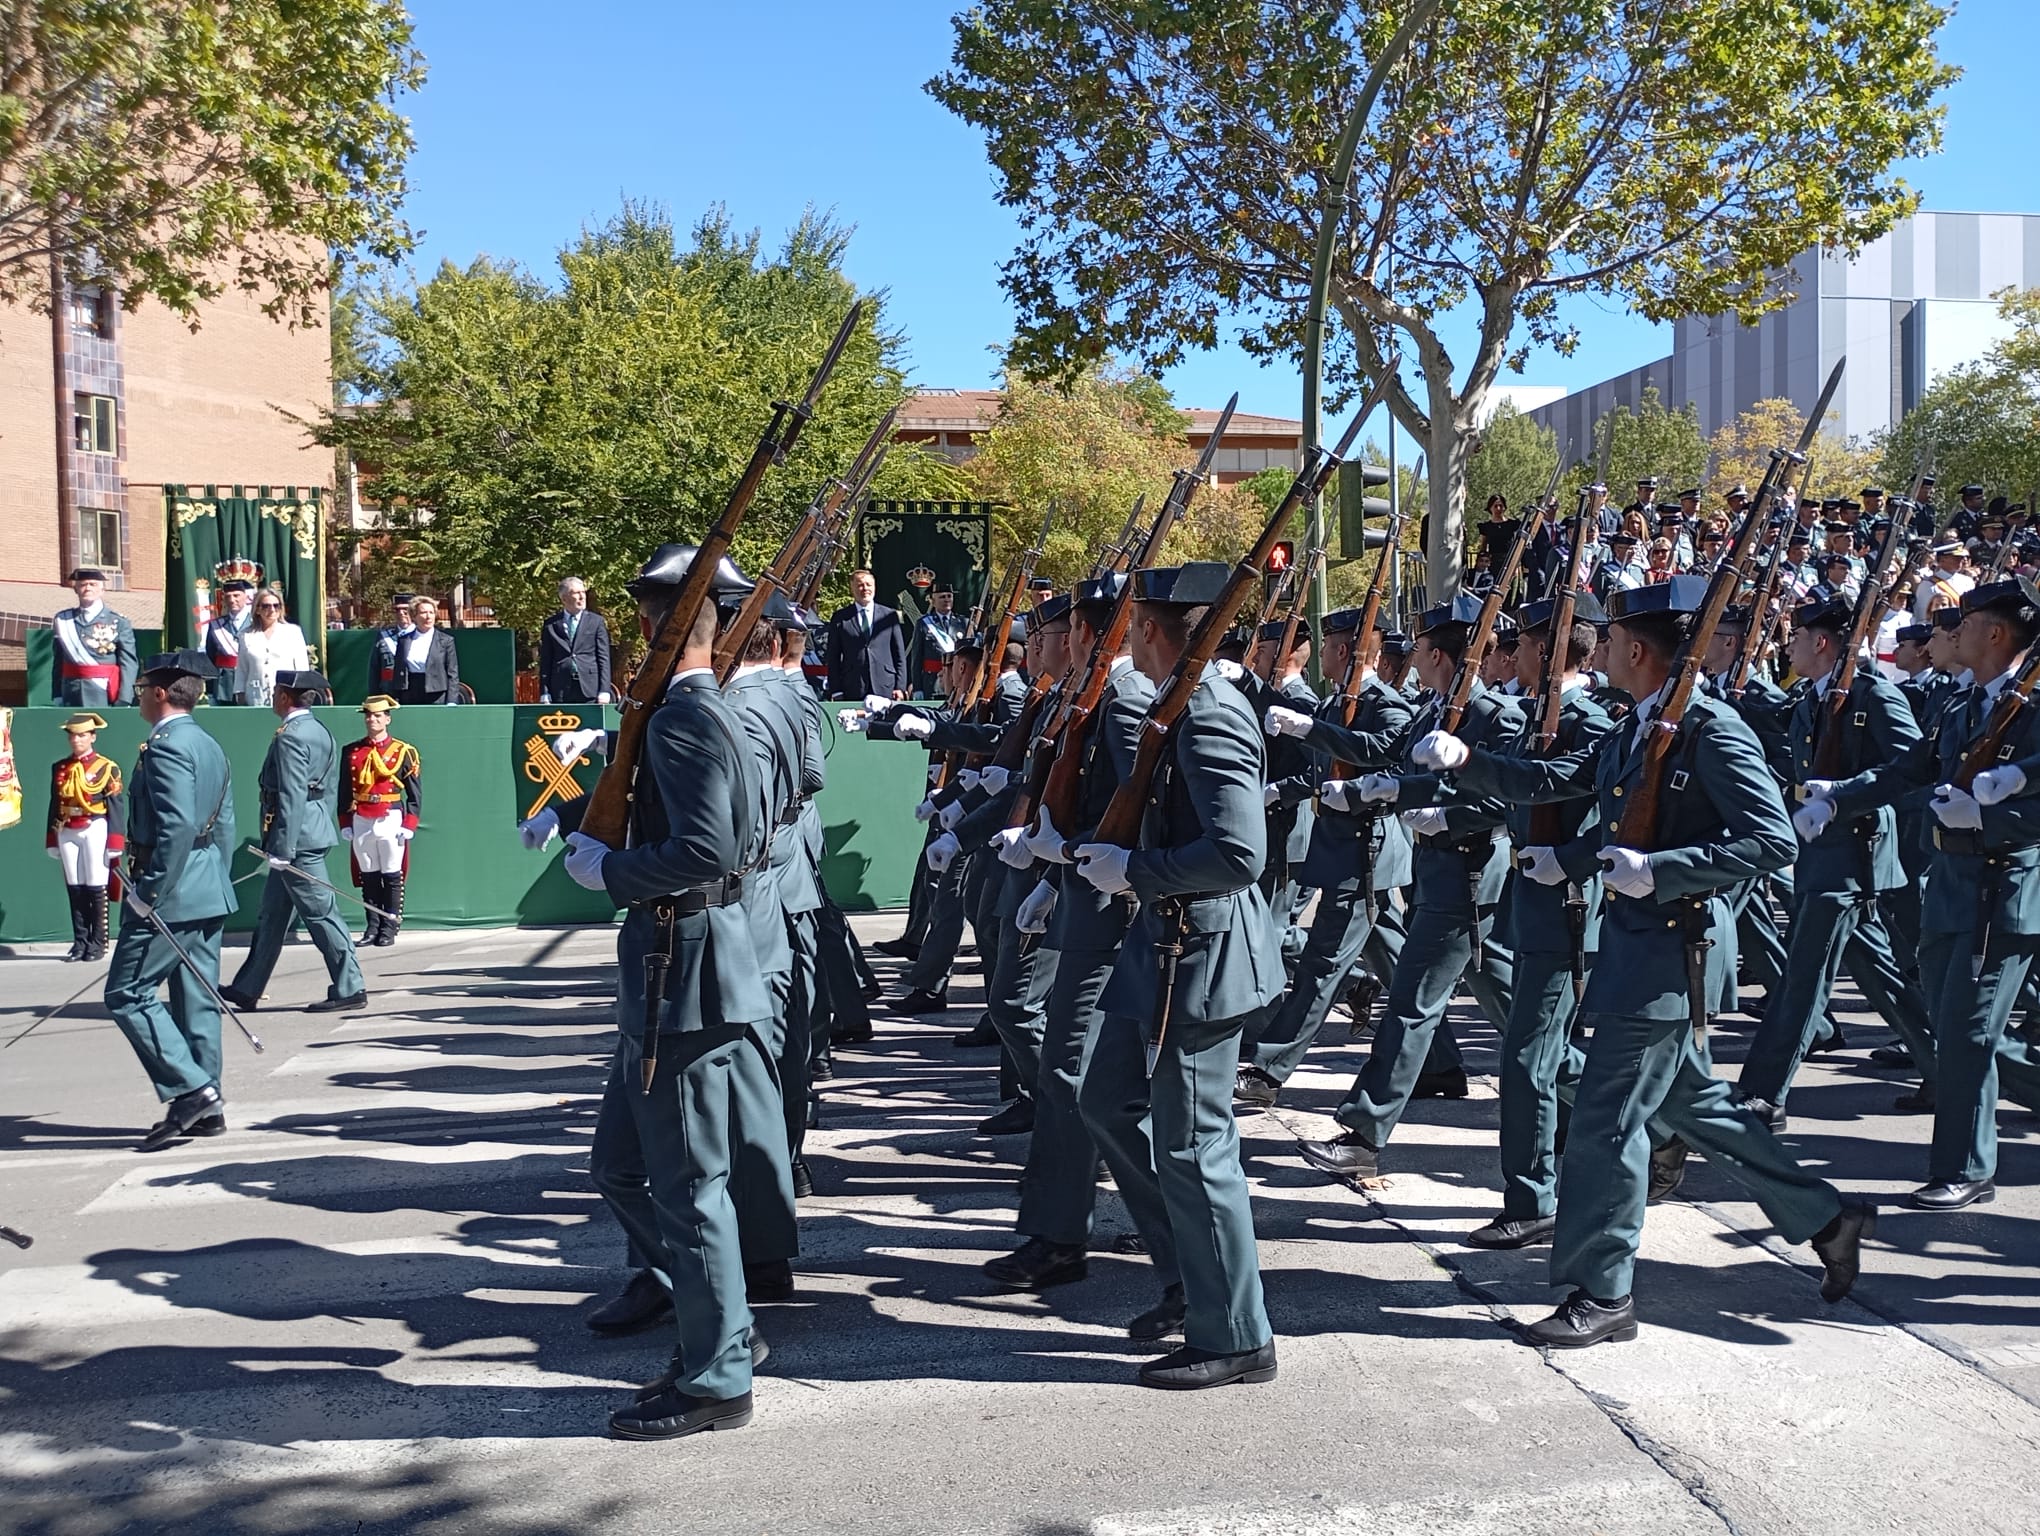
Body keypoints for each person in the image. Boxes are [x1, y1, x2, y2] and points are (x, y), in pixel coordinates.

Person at [1413, 577, 1871, 1346]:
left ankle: (1605, 1290)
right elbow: (1560, 782)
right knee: (1697, 1107)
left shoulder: (1710, 730)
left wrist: (1663, 870)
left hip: (1672, 954)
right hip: (1635, 950)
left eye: (1613, 643)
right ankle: (1826, 1215)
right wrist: (1470, 764)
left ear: (1633, 649)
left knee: (1605, 1123)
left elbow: (1772, 841)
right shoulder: (1640, 726)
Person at [534, 542, 778, 1441]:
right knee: (624, 1166)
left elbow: (707, 853)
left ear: (647, 625)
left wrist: (615, 871)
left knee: (688, 1185)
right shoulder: (698, 711)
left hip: (686, 972)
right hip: (674, 968)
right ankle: (721, 1328)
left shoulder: (687, 718)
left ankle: (718, 1375)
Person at [1071, 561, 1284, 1390]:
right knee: (1105, 1100)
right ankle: (1189, 1279)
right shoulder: (1179, 706)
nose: (1125, 638)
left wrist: (1138, 870)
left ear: (1155, 632)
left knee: (1196, 1147)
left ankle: (1235, 1333)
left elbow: (1238, 853)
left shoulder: (1211, 715)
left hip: (1197, 953)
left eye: (1134, 625)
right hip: (1160, 948)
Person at [1807, 577, 2040, 1209]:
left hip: (1999, 894)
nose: (1951, 631)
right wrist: (1837, 799)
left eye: (1963, 623)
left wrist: (1989, 820)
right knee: (1956, 1027)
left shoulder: (2032, 709)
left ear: (1996, 633)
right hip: (1952, 889)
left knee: (1967, 1033)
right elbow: (1908, 769)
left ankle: (1964, 1169)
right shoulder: (1968, 706)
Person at [1293, 594, 1523, 1183]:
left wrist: (1446, 815)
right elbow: (1396, 762)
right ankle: (1600, 1099)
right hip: (1440, 875)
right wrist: (1376, 789)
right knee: (1518, 1012)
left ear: (1444, 656)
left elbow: (1510, 797)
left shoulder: (1497, 716)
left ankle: (1364, 1132)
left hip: (1469, 874)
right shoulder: (1433, 710)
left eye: (1420, 649)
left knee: (1412, 1001)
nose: (1410, 657)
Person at [105, 650, 238, 1151]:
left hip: (171, 891)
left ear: (160, 692)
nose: (139, 695)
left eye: (142, 688)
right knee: (197, 999)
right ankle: (210, 1105)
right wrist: (213, 880)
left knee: (127, 994)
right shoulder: (206, 743)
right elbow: (221, 825)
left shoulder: (165, 746)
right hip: (204, 885)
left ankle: (192, 1090)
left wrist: (150, 890)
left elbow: (177, 825)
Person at [219, 671, 369, 1015]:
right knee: (272, 916)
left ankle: (350, 985)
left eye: (276, 693)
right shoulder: (320, 730)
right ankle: (248, 987)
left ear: (286, 697)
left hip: (295, 840)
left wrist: (283, 847)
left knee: (321, 915)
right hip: (307, 831)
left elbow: (290, 794)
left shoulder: (291, 736)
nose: (273, 698)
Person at [339, 694, 422, 947]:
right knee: (369, 875)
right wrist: (344, 821)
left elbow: (415, 792)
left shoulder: (403, 751)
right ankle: (372, 926)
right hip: (362, 816)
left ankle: (390, 926)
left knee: (391, 873)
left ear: (388, 718)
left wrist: (409, 824)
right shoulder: (352, 751)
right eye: (368, 716)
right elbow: (344, 790)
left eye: (377, 715)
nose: (372, 720)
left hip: (390, 816)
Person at [46, 711, 126, 962]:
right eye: (72, 736)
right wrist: (51, 837)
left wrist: (115, 840)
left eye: (82, 735)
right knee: (75, 886)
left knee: (95, 884)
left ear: (92, 737)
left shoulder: (106, 767)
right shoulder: (60, 767)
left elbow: (116, 805)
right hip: (67, 826)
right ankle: (79, 941)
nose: (76, 740)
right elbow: (55, 802)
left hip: (94, 825)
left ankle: (98, 942)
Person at [51, 567, 138, 707]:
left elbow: (128, 663)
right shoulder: (62, 620)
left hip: (103, 693)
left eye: (93, 584)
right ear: (76, 589)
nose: (88, 588)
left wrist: (125, 697)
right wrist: (57, 694)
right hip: (71, 692)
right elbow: (58, 661)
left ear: (102, 590)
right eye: (83, 584)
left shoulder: (118, 622)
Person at [824, 569, 908, 701]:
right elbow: (833, 656)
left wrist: (900, 687)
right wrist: (836, 690)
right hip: (853, 687)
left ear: (874, 587)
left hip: (886, 686)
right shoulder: (840, 618)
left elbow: (899, 654)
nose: (865, 589)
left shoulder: (889, 615)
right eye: (860, 585)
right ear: (852, 588)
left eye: (869, 585)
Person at [233, 586, 311, 708]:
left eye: (276, 605)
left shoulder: (293, 632)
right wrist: (240, 694)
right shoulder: (246, 635)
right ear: (257, 609)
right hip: (255, 697)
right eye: (266, 606)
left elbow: (302, 668)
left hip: (286, 696)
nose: (272, 609)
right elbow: (242, 669)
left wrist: (301, 694)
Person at [539, 577, 613, 704]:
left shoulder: (596, 622)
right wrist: (545, 692)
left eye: (583, 592)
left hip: (590, 689)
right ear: (564, 599)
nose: (582, 597)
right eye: (576, 593)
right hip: (561, 689)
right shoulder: (551, 625)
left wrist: (604, 690)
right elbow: (546, 660)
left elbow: (603, 657)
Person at [393, 597, 461, 705]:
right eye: (423, 612)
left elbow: (452, 673)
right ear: (414, 616)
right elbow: (398, 670)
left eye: (431, 612)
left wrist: (452, 700)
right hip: (410, 692)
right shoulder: (404, 640)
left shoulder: (446, 640)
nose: (428, 616)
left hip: (436, 694)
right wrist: (395, 697)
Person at [907, 582, 968, 697]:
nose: (946, 600)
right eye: (942, 597)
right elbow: (917, 658)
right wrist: (917, 687)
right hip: (932, 681)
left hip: (957, 681)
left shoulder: (963, 623)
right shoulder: (923, 624)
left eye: (949, 596)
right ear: (933, 601)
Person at [202, 579, 256, 704]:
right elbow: (210, 658)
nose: (232, 600)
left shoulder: (257, 623)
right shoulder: (216, 625)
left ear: (246, 597)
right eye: (228, 596)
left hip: (250, 679)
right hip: (224, 685)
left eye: (236, 595)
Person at [369, 593, 417, 697]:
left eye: (406, 610)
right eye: (397, 610)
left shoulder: (422, 636)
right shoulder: (384, 637)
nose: (401, 613)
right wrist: (374, 696)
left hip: (415, 693)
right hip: (388, 693)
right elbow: (375, 669)